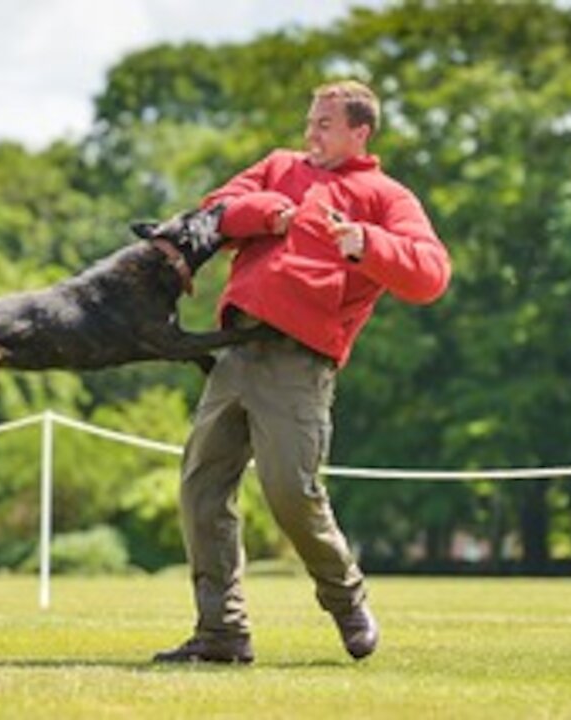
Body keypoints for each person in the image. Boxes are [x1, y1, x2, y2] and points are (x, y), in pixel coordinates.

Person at [152, 80, 451, 664]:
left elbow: (431, 273)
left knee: (292, 494)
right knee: (199, 489)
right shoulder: (279, 166)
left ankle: (347, 600)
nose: (309, 134)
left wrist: (367, 242)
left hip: (299, 365)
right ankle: (221, 634)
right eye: (310, 121)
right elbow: (214, 211)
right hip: (235, 353)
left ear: (360, 132)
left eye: (324, 124)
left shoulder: (387, 197)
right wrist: (271, 212)